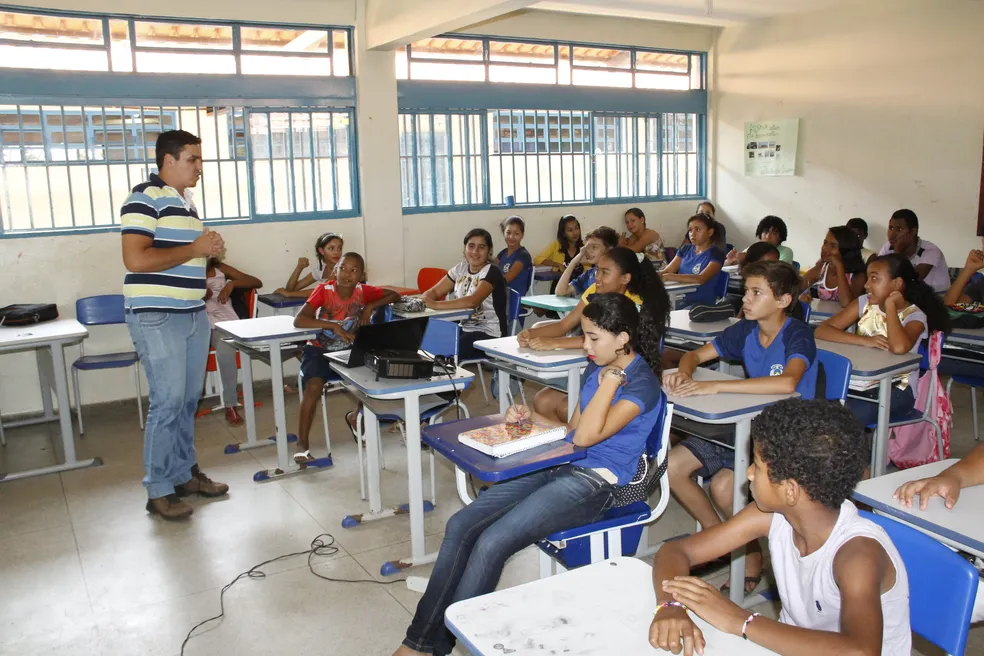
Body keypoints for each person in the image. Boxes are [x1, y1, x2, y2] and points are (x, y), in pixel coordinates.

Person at [393, 292, 671, 656]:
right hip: (564, 464)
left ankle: (442, 643)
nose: (585, 345)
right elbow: (574, 430)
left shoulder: (640, 385)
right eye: (584, 335)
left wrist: (609, 383)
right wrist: (530, 422)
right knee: (461, 524)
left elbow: (588, 436)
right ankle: (417, 642)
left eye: (593, 338)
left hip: (598, 482)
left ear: (623, 339)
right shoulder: (597, 365)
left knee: (493, 541)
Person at [650, 399, 910, 656]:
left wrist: (741, 620)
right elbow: (676, 551)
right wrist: (670, 604)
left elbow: (861, 651)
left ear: (790, 491)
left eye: (758, 466)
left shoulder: (857, 554)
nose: (749, 473)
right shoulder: (770, 516)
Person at [664, 261, 820, 594]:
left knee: (724, 486)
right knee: (672, 467)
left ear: (783, 300)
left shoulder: (797, 333)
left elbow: (788, 381)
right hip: (745, 424)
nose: (745, 299)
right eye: (746, 291)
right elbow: (693, 356)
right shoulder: (744, 330)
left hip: (784, 437)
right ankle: (716, 538)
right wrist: (686, 374)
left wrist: (717, 387)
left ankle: (750, 557)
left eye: (756, 293)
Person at [121, 129, 229, 520]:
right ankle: (158, 489)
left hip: (191, 313)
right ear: (168, 161)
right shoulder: (144, 198)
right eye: (192, 160)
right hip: (156, 314)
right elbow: (136, 260)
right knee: (167, 403)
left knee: (186, 401)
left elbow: (183, 256)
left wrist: (208, 249)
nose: (199, 167)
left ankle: (184, 475)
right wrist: (196, 247)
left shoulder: (185, 203)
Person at [523, 247, 669, 423]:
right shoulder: (594, 291)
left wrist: (554, 343)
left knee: (563, 409)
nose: (597, 277)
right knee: (543, 400)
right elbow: (565, 324)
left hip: (622, 375)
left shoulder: (631, 306)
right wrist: (529, 333)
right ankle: (569, 444)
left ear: (625, 278)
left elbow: (600, 339)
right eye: (597, 270)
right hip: (597, 367)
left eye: (605, 272)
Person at [815, 254, 951, 427]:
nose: (866, 285)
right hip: (860, 384)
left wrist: (891, 307)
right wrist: (864, 341)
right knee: (819, 406)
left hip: (899, 389)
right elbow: (822, 330)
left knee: (847, 417)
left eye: (874, 279)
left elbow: (899, 347)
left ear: (897, 284)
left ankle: (855, 451)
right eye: (867, 278)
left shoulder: (915, 315)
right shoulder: (864, 303)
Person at [292, 253, 400, 462]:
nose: (347, 274)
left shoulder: (362, 292)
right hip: (319, 349)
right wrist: (332, 325)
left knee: (372, 378)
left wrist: (370, 306)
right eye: (343, 268)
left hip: (349, 350)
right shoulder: (324, 290)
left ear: (361, 275)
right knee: (313, 387)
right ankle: (302, 443)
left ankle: (355, 417)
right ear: (335, 270)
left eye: (354, 270)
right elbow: (299, 320)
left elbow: (393, 295)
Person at [422, 228, 507, 360]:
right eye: (471, 246)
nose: (475, 252)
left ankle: (449, 379)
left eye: (481, 247)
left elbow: (472, 301)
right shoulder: (459, 269)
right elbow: (434, 291)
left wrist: (434, 304)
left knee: (445, 352)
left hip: (490, 335)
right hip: (465, 329)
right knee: (426, 343)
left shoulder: (492, 272)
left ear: (489, 251)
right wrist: (423, 299)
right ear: (464, 248)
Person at [203, 257, 262, 426]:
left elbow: (256, 282)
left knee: (225, 348)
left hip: (225, 322)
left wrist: (232, 284)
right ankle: (188, 403)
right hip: (200, 322)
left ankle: (230, 404)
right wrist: (198, 294)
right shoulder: (185, 269)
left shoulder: (220, 268)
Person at [876, 209, 950, 293]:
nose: (892, 234)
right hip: (910, 296)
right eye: (891, 228)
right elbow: (878, 271)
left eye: (899, 229)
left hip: (938, 296)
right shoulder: (888, 247)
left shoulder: (930, 250)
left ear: (912, 232)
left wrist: (898, 254)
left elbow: (913, 280)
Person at [661, 214, 726, 307]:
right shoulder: (685, 249)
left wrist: (668, 277)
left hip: (701, 305)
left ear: (710, 232)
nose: (692, 234)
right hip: (680, 299)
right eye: (690, 230)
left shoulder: (716, 253)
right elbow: (667, 271)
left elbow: (701, 279)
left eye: (698, 229)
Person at [800, 226, 867, 307]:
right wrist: (802, 296)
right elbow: (797, 288)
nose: (825, 248)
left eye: (833, 246)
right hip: (821, 318)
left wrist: (839, 267)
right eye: (825, 243)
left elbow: (846, 303)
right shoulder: (822, 269)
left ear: (846, 250)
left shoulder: (858, 276)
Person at [555, 226, 620, 297]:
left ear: (609, 250)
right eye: (587, 248)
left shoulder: (616, 275)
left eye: (594, 247)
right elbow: (560, 291)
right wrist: (573, 262)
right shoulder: (589, 275)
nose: (588, 251)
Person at [276, 232, 344, 298]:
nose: (336, 252)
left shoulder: (342, 268)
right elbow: (290, 289)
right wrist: (299, 267)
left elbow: (322, 291)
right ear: (321, 251)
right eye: (331, 248)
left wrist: (290, 294)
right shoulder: (321, 268)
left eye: (339, 248)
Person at [726, 216, 794, 266]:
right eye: (765, 232)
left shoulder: (786, 251)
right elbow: (725, 265)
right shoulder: (754, 248)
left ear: (781, 236)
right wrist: (731, 261)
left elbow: (780, 271)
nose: (768, 237)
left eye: (774, 233)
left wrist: (746, 259)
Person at [535, 215, 584, 282]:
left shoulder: (584, 247)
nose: (574, 233)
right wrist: (557, 265)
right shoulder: (556, 246)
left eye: (576, 228)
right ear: (563, 233)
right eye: (570, 230)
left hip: (580, 287)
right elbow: (537, 259)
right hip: (560, 287)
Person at [494, 215, 533, 298]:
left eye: (516, 233)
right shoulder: (503, 253)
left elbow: (507, 278)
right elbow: (490, 269)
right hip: (500, 295)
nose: (511, 237)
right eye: (508, 232)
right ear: (504, 233)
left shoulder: (523, 255)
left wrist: (487, 285)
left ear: (522, 235)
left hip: (513, 299)